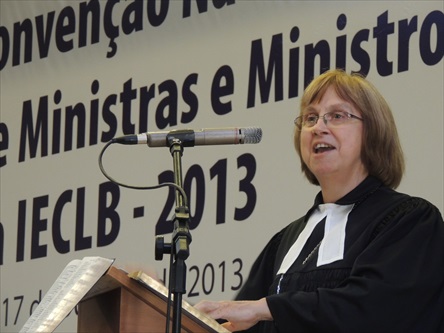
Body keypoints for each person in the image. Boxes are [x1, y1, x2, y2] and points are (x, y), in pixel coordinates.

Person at [195, 69, 444, 332]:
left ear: (373, 131)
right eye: (310, 118)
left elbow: (374, 310)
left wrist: (267, 307)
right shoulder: (285, 241)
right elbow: (235, 324)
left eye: (337, 116)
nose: (318, 128)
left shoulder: (411, 220)